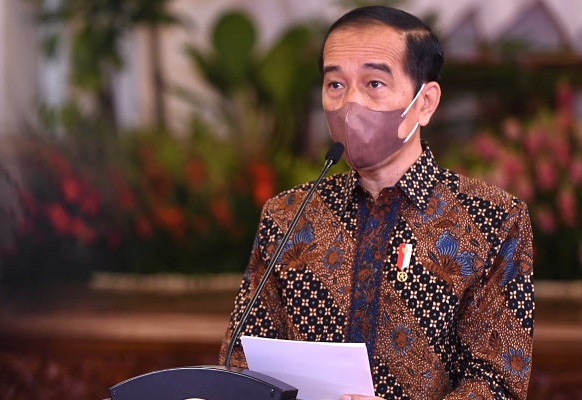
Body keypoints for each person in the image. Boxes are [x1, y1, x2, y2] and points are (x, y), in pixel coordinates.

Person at [219, 6, 534, 400]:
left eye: (374, 83)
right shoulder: (288, 216)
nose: (351, 103)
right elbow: (240, 361)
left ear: (425, 102)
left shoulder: (493, 219)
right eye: (336, 84)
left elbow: (499, 383)